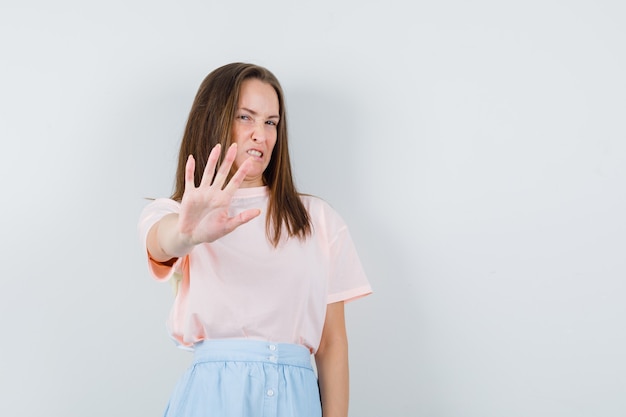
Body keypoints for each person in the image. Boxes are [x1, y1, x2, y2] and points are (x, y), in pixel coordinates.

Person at [138, 62, 372, 417]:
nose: (260, 135)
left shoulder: (318, 220)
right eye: (245, 117)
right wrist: (187, 234)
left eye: (271, 122)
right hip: (212, 398)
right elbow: (163, 241)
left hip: (297, 399)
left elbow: (332, 343)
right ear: (214, 120)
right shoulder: (175, 213)